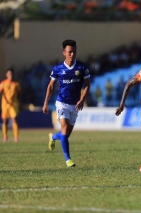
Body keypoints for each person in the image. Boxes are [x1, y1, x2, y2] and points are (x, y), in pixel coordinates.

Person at [42, 39, 91, 168]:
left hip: (75, 105)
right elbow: (51, 86)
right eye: (69, 52)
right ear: (64, 53)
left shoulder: (82, 67)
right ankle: (68, 160)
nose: (72, 54)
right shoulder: (58, 68)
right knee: (64, 129)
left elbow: (87, 85)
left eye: (74, 52)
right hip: (62, 103)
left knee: (66, 135)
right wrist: (46, 103)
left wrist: (82, 99)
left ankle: (53, 137)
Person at [0, 68, 21, 142]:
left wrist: (20, 104)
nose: (10, 76)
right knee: (5, 120)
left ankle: (16, 137)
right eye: (9, 74)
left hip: (14, 104)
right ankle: (5, 136)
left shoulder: (16, 84)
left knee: (14, 119)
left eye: (11, 74)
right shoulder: (3, 83)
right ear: (6, 75)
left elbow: (19, 94)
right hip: (5, 105)